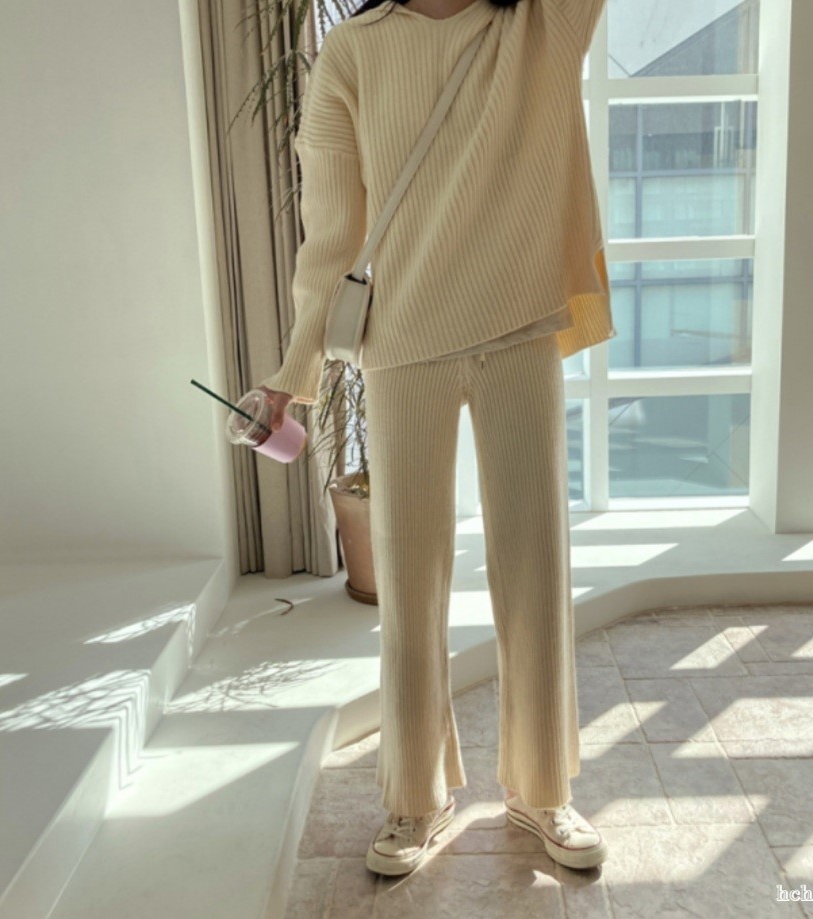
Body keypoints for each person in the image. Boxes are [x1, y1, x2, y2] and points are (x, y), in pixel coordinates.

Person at [256, 0, 615, 877]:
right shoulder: (354, 50)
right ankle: (416, 798)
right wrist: (293, 373)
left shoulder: (539, 23)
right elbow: (332, 230)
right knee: (409, 578)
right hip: (404, 341)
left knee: (535, 566)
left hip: (519, 327)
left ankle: (541, 788)